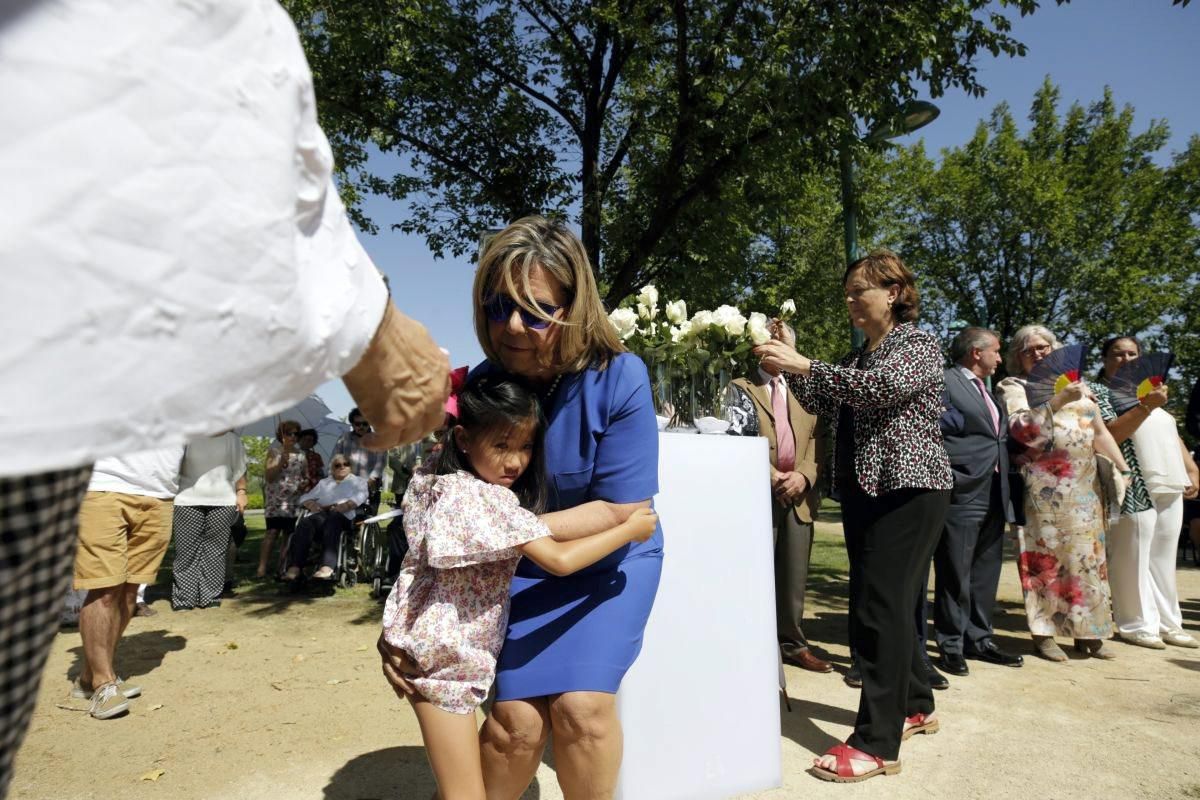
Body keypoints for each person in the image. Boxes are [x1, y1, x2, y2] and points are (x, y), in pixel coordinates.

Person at [0, 2, 449, 793]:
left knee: (126, 586)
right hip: (50, 403)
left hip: (91, 427)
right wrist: (366, 322)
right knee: (105, 586)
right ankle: (98, 678)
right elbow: (202, 54)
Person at [378, 216, 664, 799]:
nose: (511, 325)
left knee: (582, 713)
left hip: (606, 565)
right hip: (507, 574)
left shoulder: (621, 377)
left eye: (535, 312)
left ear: (573, 308)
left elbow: (623, 510)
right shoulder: (482, 386)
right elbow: (440, 509)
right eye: (497, 306)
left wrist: (496, 528)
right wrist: (400, 621)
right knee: (516, 727)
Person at [756, 250, 952, 783]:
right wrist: (797, 358)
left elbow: (884, 390)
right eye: (846, 294)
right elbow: (826, 392)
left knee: (878, 611)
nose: (849, 301)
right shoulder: (863, 352)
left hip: (909, 489)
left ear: (892, 292)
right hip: (871, 490)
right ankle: (916, 705)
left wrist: (805, 366)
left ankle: (876, 743)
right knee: (892, 603)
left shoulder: (917, 343)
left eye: (857, 292)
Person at [994, 325, 1129, 663]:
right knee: (1046, 562)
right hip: (1042, 489)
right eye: (1029, 350)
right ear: (1018, 357)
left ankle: (1090, 633)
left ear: (1056, 350)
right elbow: (1020, 431)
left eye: (1043, 347)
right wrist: (1057, 400)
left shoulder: (1081, 389)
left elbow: (1099, 433)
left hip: (1085, 488)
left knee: (1088, 559)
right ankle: (1044, 633)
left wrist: (1121, 466)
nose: (1037, 353)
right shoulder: (1016, 386)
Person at [725, 322, 831, 673]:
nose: (776, 350)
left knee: (793, 577)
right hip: (758, 496)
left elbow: (818, 439)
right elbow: (734, 437)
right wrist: (768, 473)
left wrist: (804, 476)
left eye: (781, 344)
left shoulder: (805, 391)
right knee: (753, 573)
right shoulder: (739, 388)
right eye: (768, 344)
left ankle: (793, 644)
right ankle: (752, 644)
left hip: (799, 496)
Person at [1093, 336, 1199, 649]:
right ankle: (1135, 623)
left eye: (1132, 354)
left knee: (1163, 558)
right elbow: (1110, 434)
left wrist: (1191, 468)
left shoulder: (1152, 390)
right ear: (1105, 359)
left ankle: (1169, 622)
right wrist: (1146, 406)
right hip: (1134, 482)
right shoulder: (1101, 392)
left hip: (1169, 480)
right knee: (1131, 555)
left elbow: (1171, 430)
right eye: (1117, 354)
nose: (1125, 359)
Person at [932, 328, 1023, 675]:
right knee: (956, 570)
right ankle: (951, 644)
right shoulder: (946, 382)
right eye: (995, 351)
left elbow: (995, 436)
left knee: (986, 570)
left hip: (996, 489)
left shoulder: (988, 391)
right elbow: (936, 430)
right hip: (964, 490)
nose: (999, 358)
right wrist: (955, 474)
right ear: (975, 352)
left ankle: (980, 639)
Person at [70, 447, 185, 719]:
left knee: (130, 593)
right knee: (105, 588)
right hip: (105, 484)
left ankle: (90, 676)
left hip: (160, 493)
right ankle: (103, 682)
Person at [171, 432, 248, 610]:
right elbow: (174, 468)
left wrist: (241, 492)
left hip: (223, 501)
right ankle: (184, 598)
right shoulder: (186, 436)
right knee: (186, 551)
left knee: (216, 551)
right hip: (187, 500)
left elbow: (240, 470)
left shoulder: (232, 439)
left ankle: (210, 596)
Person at [285, 456, 369, 580]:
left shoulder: (359, 481)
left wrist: (345, 506)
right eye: (337, 465)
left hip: (344, 516)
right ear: (332, 468)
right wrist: (311, 504)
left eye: (346, 464)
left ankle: (327, 566)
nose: (342, 467)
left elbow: (361, 496)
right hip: (322, 514)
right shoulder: (324, 482)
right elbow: (304, 497)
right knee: (305, 522)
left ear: (350, 467)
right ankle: (295, 566)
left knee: (333, 519)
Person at [257, 421, 308, 578]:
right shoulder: (274, 452)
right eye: (289, 433)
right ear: (281, 435)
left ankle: (282, 566)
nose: (293, 437)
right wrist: (280, 462)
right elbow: (270, 477)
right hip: (276, 499)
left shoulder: (301, 455)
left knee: (288, 534)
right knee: (272, 532)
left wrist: (304, 484)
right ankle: (262, 568)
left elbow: (305, 477)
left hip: (293, 500)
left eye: (296, 434)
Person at [335, 408, 387, 514]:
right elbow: (334, 460)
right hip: (346, 485)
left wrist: (372, 478)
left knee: (366, 517)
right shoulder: (344, 439)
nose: (361, 427)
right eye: (358, 424)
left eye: (365, 423)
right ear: (352, 424)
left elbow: (380, 463)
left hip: (369, 487)